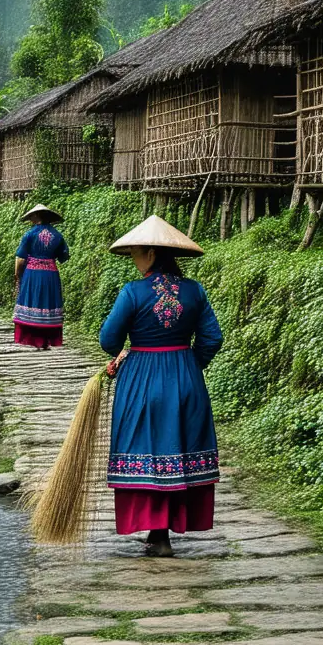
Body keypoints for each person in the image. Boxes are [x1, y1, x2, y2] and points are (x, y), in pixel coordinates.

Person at [99, 215, 223, 557]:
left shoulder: (132, 292)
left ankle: (157, 534)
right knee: (178, 449)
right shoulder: (194, 291)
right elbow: (212, 337)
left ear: (151, 253)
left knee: (147, 449)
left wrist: (127, 351)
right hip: (185, 378)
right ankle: (161, 534)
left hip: (140, 377)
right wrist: (190, 363)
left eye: (137, 253)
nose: (135, 260)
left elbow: (109, 339)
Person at [13, 204, 69, 349]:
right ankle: (46, 340)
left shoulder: (30, 234)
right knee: (47, 302)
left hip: (32, 272)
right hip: (51, 274)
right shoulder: (57, 235)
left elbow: (20, 259)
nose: (31, 219)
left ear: (37, 216)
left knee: (33, 302)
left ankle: (34, 339)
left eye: (32, 216)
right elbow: (64, 255)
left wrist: (18, 274)